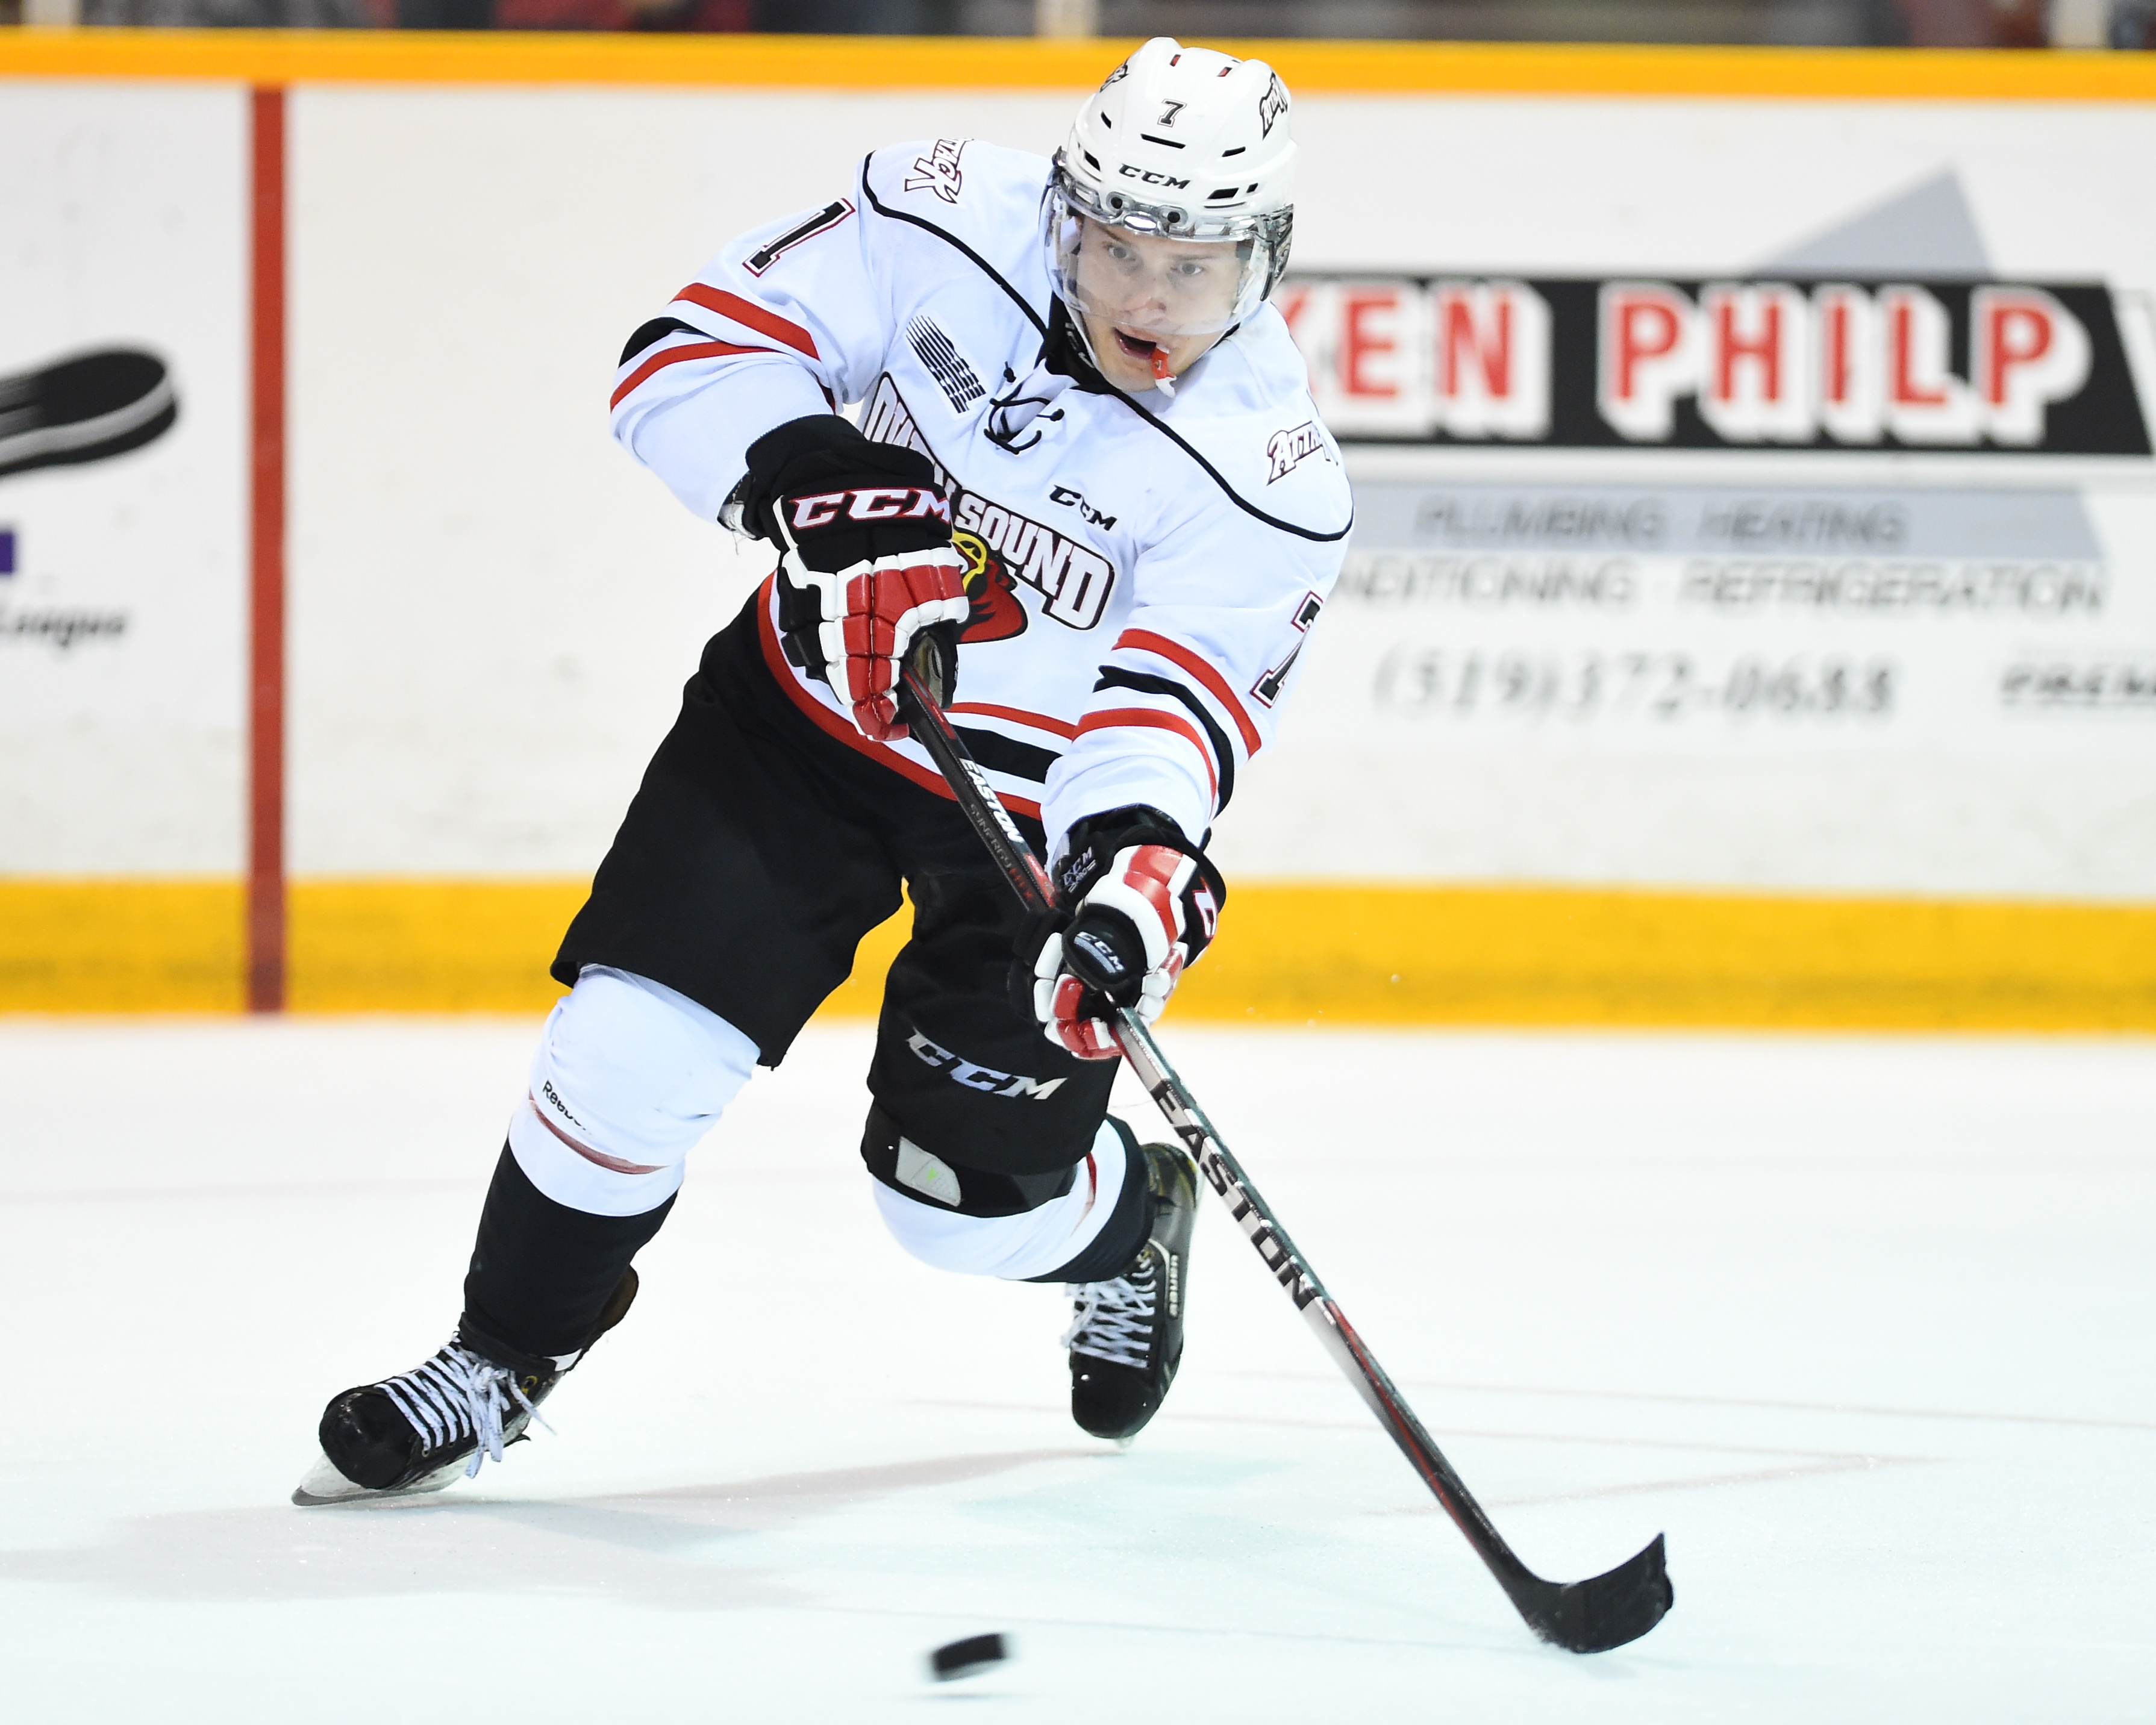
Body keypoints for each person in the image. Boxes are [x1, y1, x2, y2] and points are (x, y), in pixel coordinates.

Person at [295, 36, 1351, 1505]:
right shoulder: (932, 216)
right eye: (1110, 245)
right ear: (1061, 206)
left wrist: (1128, 872)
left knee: (953, 1212)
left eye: (1188, 267)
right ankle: (500, 1357)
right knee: (625, 1053)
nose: (1139, 298)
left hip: (1024, 827)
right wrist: (811, 478)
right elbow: (688, 350)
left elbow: (1175, 705)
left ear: (1266, 259)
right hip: (799, 728)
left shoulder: (1269, 476)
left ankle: (1127, 1219)